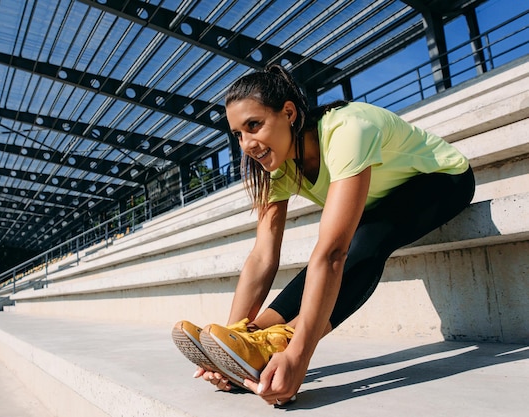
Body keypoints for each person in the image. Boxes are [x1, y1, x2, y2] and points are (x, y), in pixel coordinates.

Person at [172, 64, 475, 406]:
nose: (246, 144)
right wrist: (230, 341)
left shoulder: (347, 131)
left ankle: (282, 340)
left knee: (358, 242)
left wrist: (299, 356)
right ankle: (255, 338)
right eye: (238, 134)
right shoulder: (280, 167)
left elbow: (332, 254)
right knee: (349, 242)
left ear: (288, 112)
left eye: (253, 125)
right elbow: (262, 257)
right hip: (380, 204)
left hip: (443, 180)